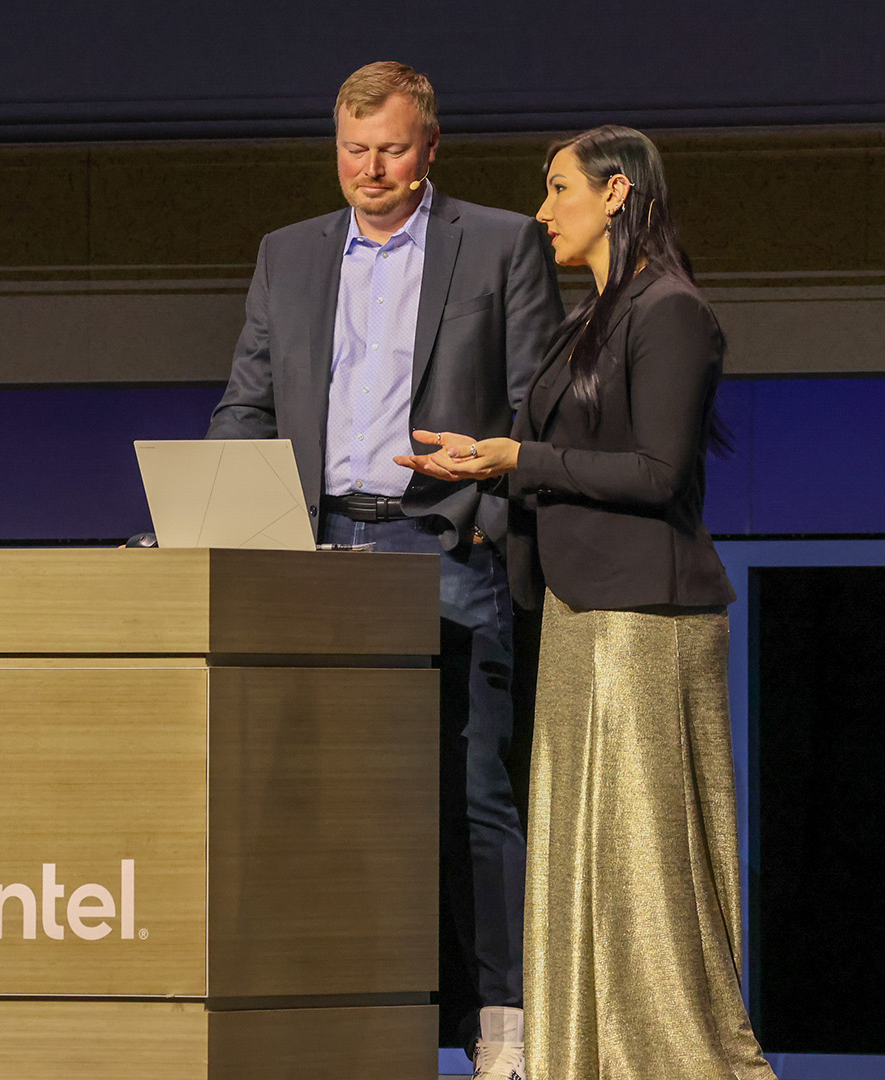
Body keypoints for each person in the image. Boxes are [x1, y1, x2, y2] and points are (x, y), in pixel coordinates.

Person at [206, 61, 563, 1080]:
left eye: (393, 149)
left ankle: (501, 1026)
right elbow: (249, 399)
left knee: (469, 792)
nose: (371, 170)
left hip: (440, 543)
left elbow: (536, 403)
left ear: (432, 147)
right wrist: (219, 509)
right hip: (312, 553)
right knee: (314, 793)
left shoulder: (499, 244)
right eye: (354, 150)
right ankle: (335, 1013)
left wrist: (487, 520)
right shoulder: (288, 255)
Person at [395, 125, 775, 1080]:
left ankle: (686, 1060)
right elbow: (551, 461)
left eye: (558, 188)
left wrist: (516, 458)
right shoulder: (584, 322)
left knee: (645, 860)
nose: (543, 210)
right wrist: (480, 480)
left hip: (646, 619)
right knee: (582, 857)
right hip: (577, 614)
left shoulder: (671, 312)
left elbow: (656, 471)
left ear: (615, 193)